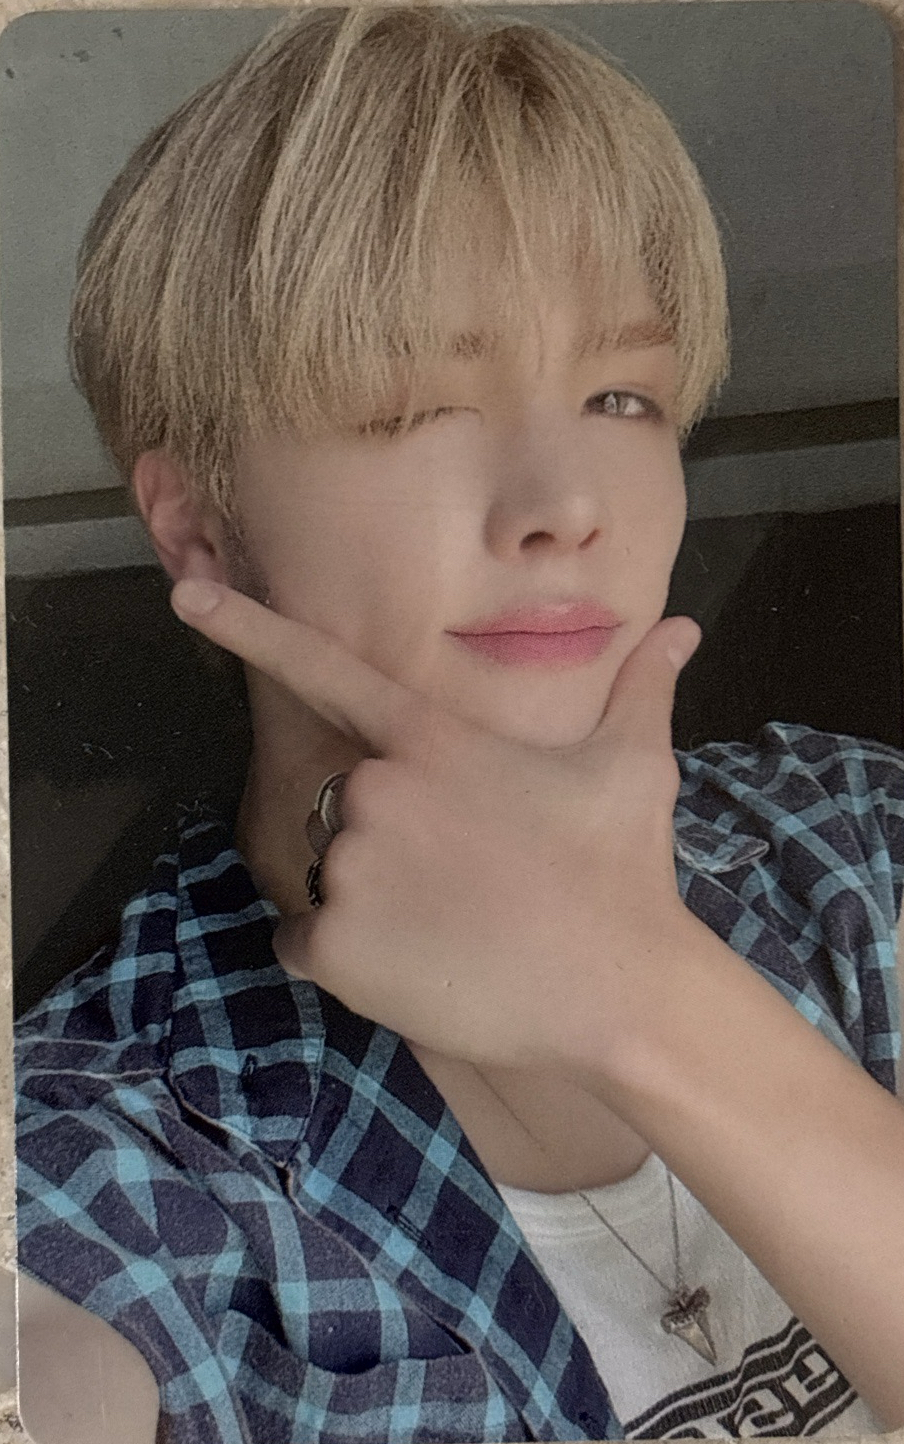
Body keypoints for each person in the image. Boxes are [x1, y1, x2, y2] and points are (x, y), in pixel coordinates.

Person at [13, 7, 904, 1442]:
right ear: (197, 521)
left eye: (621, 394)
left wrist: (641, 993)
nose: (566, 505)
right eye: (420, 404)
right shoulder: (110, 1152)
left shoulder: (852, 841)